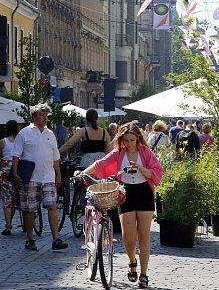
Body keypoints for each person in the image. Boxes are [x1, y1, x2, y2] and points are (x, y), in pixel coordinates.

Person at [82, 122, 163, 289]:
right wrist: (83, 173)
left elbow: (156, 171)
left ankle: (144, 274)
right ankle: (132, 261)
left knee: (144, 237)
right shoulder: (119, 152)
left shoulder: (145, 152)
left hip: (144, 193)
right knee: (128, 238)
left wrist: (141, 168)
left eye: (132, 140)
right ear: (121, 140)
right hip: (126, 194)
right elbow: (101, 164)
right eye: (126, 140)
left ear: (138, 139)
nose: (129, 143)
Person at [13, 103, 68, 251]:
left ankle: (56, 238)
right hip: (30, 177)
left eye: (46, 115)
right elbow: (16, 154)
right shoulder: (24, 133)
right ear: (34, 117)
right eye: (42, 115)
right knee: (30, 209)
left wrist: (58, 174)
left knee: (52, 205)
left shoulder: (50, 134)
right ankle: (30, 238)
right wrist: (15, 172)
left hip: (48, 176)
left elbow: (55, 156)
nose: (45, 118)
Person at [0, 120, 20, 236]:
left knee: (7, 199)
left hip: (5, 170)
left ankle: (8, 225)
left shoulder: (3, 141)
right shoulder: (20, 140)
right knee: (16, 198)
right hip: (18, 169)